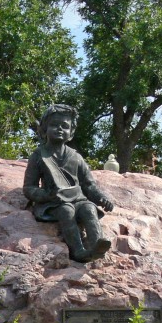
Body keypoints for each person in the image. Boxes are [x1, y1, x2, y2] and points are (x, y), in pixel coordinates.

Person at [23, 104, 115, 262]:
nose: (59, 129)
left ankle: (97, 245)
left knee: (89, 209)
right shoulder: (38, 155)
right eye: (54, 125)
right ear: (44, 129)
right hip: (53, 203)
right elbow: (28, 187)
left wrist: (102, 198)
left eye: (65, 126)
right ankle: (78, 251)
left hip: (78, 199)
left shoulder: (76, 157)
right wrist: (46, 195)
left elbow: (89, 185)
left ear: (71, 132)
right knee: (67, 211)